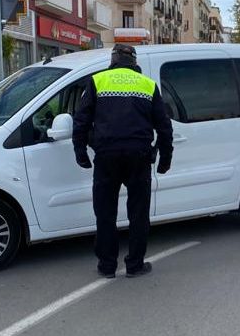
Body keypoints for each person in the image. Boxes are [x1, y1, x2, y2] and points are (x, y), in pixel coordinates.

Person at [73, 44, 173, 279]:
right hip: (139, 157)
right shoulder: (148, 85)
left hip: (106, 156)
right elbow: (164, 126)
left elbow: (81, 121)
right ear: (134, 62)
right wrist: (165, 159)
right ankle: (135, 265)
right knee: (138, 213)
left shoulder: (98, 81)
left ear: (113, 60)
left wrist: (81, 152)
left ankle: (107, 266)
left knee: (105, 213)